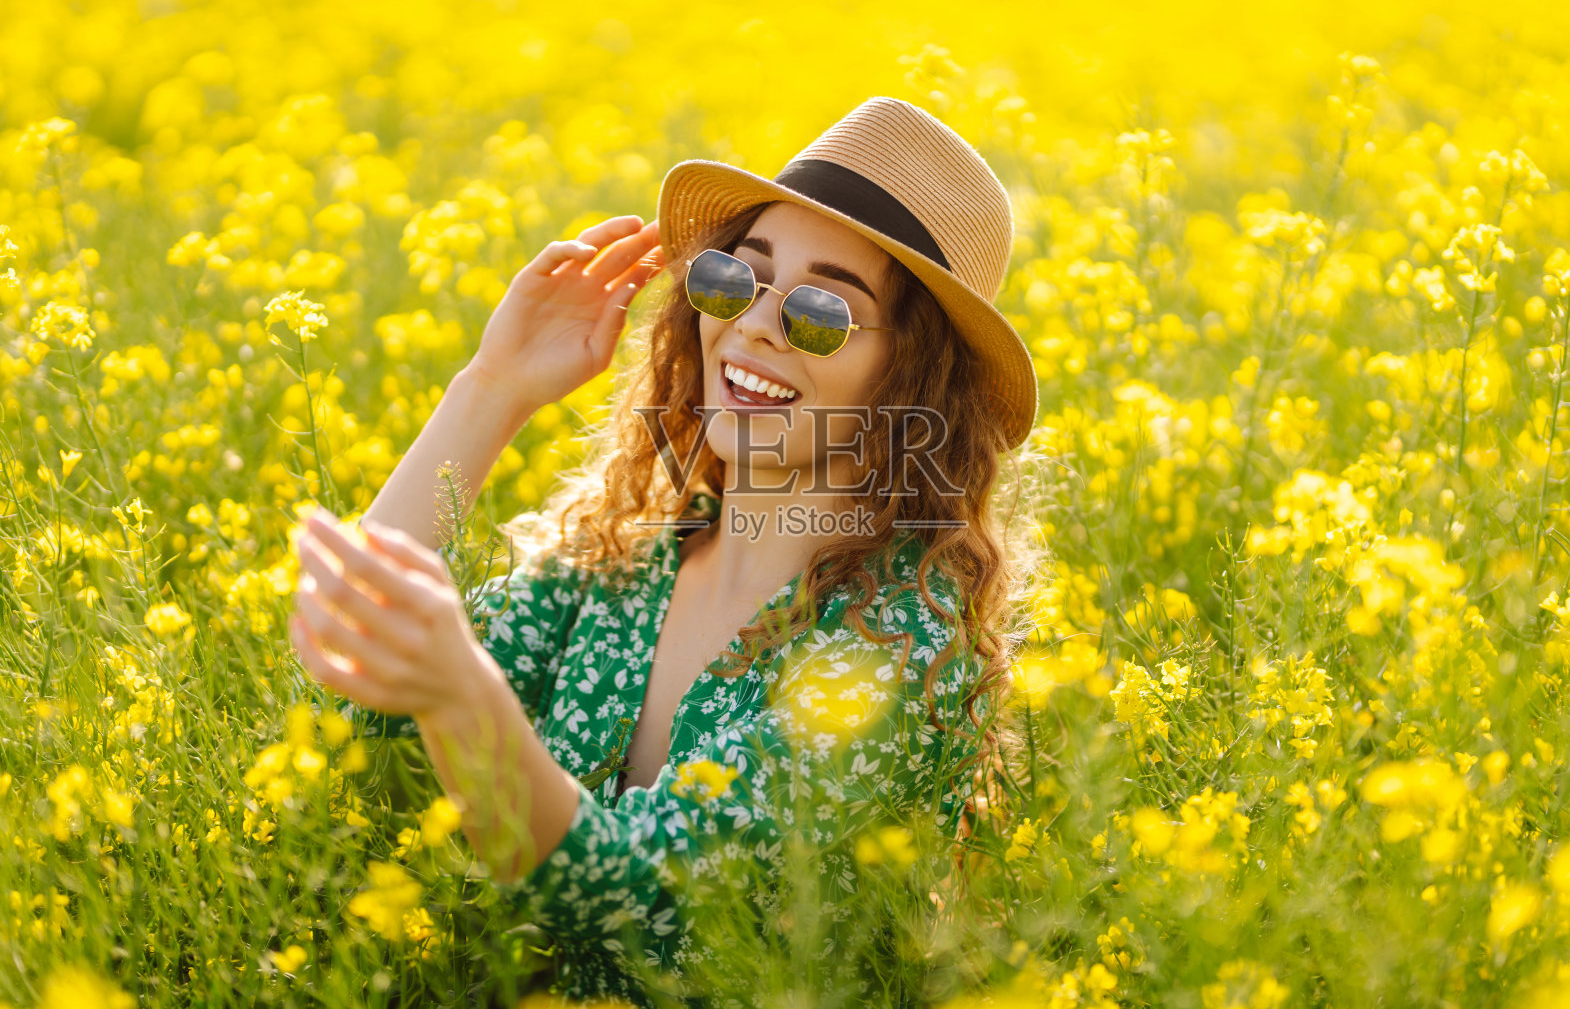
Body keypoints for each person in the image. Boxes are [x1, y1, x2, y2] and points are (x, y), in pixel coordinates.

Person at [288, 97, 1045, 1004]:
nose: (754, 325)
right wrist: (491, 388)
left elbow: (651, 904)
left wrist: (463, 692)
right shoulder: (621, 562)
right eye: (734, 279)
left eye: (820, 311)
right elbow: (349, 696)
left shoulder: (903, 649)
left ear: (912, 374)